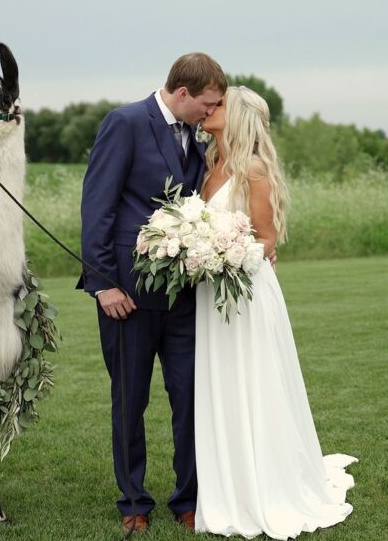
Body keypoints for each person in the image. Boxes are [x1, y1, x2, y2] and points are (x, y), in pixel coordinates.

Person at [194, 86, 357, 539]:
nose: (211, 109)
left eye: (220, 104)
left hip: (243, 291)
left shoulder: (254, 169)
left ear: (239, 116)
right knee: (222, 384)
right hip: (212, 295)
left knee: (255, 383)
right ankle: (228, 485)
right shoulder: (211, 163)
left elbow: (266, 239)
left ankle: (266, 487)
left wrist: (221, 253)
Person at [79, 53, 227, 533]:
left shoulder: (196, 137)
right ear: (182, 93)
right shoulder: (124, 123)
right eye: (206, 104)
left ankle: (188, 498)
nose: (210, 113)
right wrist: (103, 285)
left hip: (184, 295)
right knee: (130, 401)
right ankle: (134, 504)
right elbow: (97, 207)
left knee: (190, 398)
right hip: (128, 295)